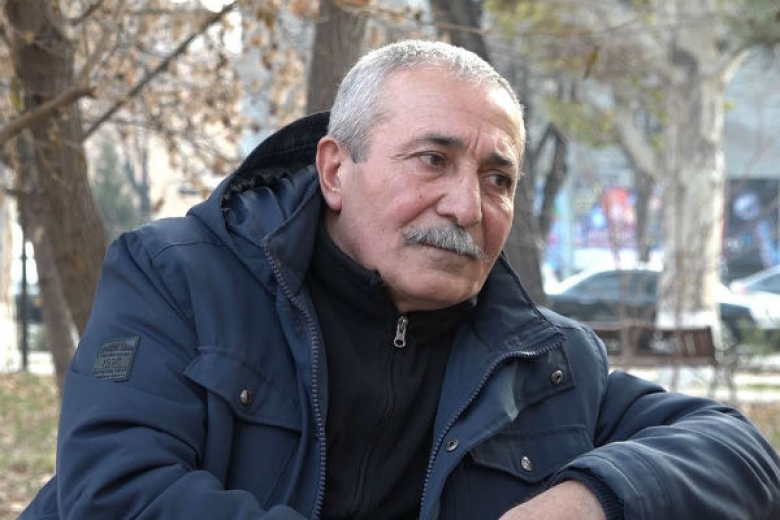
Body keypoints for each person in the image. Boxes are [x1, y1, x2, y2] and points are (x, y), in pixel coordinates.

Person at [21, 40, 780, 520]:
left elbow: (739, 452)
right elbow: (116, 492)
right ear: (335, 171)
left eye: (497, 178)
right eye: (432, 160)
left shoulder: (545, 362)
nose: (467, 206)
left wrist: (588, 499)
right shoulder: (177, 277)